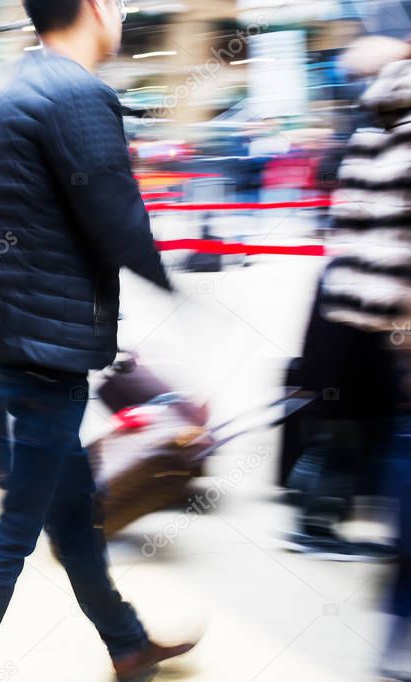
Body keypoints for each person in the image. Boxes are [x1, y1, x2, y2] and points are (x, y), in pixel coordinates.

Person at [0, 1, 196, 680]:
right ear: (91, 7)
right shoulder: (76, 92)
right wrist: (179, 291)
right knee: (13, 534)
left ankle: (126, 643)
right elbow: (117, 219)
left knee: (74, 513)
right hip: (43, 354)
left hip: (3, 340)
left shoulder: (12, 83)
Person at [316, 38, 411, 679]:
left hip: (384, 328)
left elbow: (343, 236)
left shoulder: (374, 118)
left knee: (402, 443)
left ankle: (399, 629)